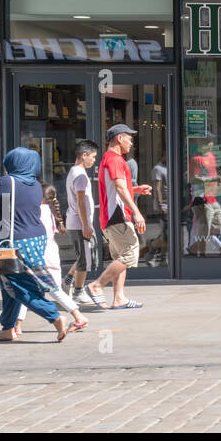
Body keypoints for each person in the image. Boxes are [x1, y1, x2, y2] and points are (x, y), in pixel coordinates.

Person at [0, 148, 85, 343]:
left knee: (20, 286)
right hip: (36, 239)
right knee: (8, 283)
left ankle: (54, 317)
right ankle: (8, 328)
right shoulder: (35, 185)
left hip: (13, 242)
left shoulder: (7, 182)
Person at [86, 124, 151, 309]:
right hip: (118, 216)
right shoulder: (114, 159)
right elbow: (119, 187)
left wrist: (136, 189)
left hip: (110, 216)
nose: (131, 143)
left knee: (121, 257)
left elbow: (117, 187)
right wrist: (137, 212)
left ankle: (119, 298)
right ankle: (97, 285)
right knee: (130, 252)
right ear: (119, 138)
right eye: (129, 138)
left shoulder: (109, 159)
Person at [15, 184, 87, 335]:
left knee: (24, 290)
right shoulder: (51, 212)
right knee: (55, 291)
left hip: (38, 255)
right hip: (52, 254)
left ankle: (17, 325)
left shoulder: (36, 212)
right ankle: (78, 316)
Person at [64, 140, 101, 306]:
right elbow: (80, 202)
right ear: (84, 155)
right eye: (92, 157)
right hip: (79, 223)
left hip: (76, 221)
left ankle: (67, 281)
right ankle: (78, 291)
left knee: (82, 256)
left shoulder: (74, 171)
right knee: (84, 260)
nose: (94, 161)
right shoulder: (80, 175)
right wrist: (86, 225)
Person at [187, 138, 221, 255]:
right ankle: (220, 245)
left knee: (205, 225)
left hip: (208, 196)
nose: (211, 144)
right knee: (203, 224)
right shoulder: (196, 159)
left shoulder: (209, 157)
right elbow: (193, 179)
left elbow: (214, 176)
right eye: (208, 142)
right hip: (201, 196)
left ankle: (196, 247)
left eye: (211, 142)